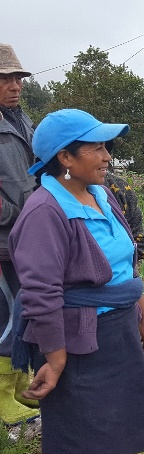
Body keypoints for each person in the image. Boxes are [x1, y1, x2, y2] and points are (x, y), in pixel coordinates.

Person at [8, 108, 144, 454]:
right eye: (97, 148)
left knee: (115, 432)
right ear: (65, 157)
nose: (108, 156)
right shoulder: (45, 212)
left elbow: (126, 265)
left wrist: (143, 315)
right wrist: (56, 359)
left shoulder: (102, 196)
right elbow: (40, 294)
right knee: (83, 438)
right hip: (77, 340)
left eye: (106, 147)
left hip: (117, 331)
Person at [0, 43, 40, 427]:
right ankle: (2, 400)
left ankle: (19, 387)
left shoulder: (21, 120)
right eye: (4, 78)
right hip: (2, 238)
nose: (14, 86)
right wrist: (14, 211)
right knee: (2, 316)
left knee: (22, 313)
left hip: (24, 237)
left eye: (17, 78)